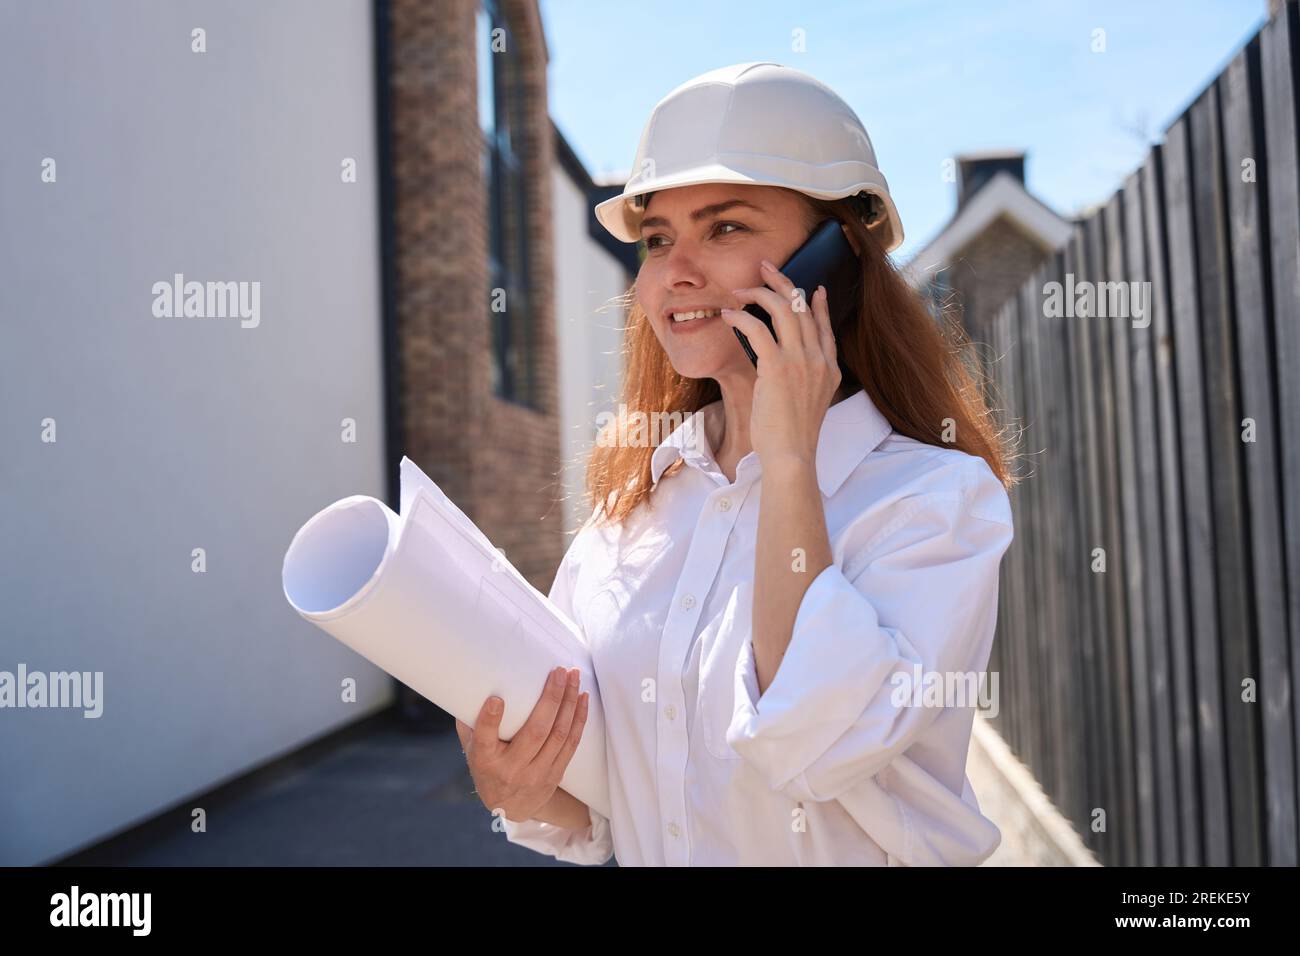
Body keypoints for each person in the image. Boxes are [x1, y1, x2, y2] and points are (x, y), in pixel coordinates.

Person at [456, 62, 1017, 866]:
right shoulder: (633, 514)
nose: (675, 272)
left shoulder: (935, 501)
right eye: (657, 240)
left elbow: (817, 744)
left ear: (835, 255)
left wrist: (786, 457)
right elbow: (608, 798)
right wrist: (524, 785)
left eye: (724, 229)